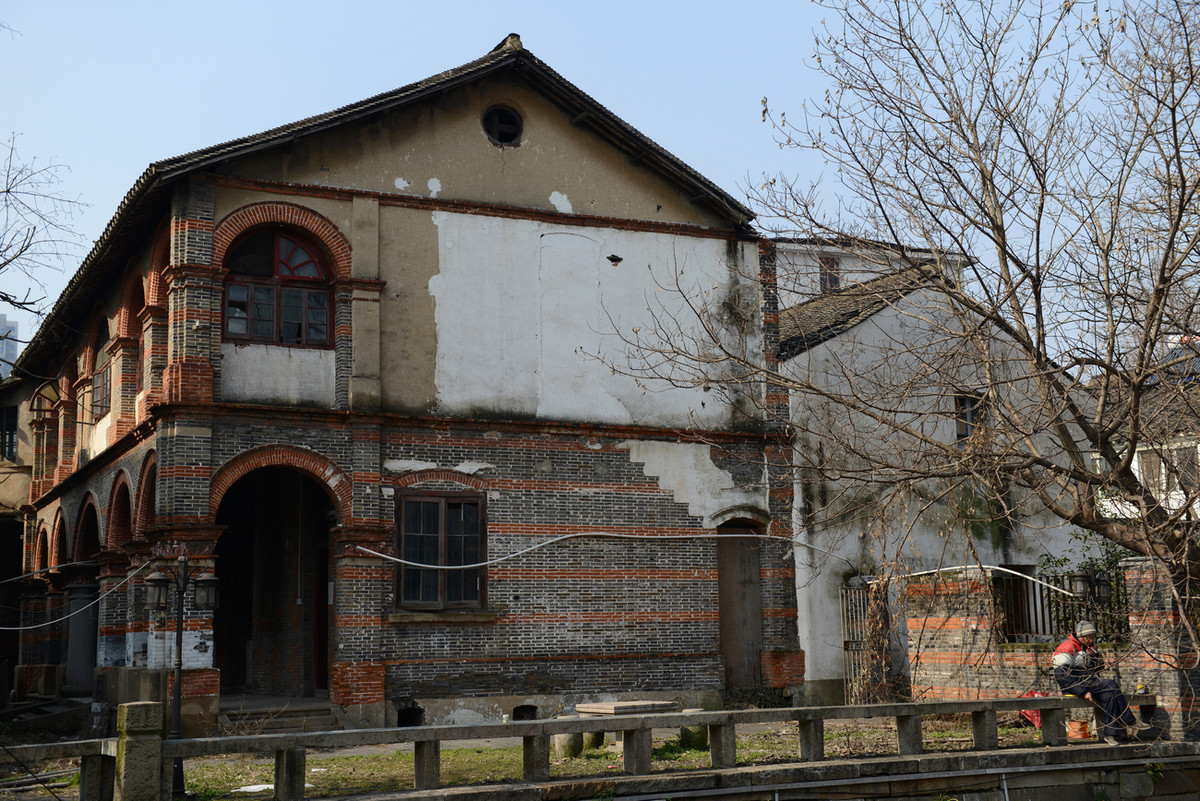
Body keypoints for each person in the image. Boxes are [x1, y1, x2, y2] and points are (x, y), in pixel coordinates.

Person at [1052, 620, 1135, 743]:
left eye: (1093, 637)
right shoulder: (1066, 648)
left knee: (1109, 695)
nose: (1092, 640)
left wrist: (1094, 656)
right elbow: (1062, 676)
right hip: (1075, 684)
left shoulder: (1087, 648)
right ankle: (1129, 720)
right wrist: (1083, 692)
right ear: (1081, 636)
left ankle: (1110, 734)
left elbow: (1098, 668)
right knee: (1110, 684)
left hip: (1088, 681)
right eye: (1089, 637)